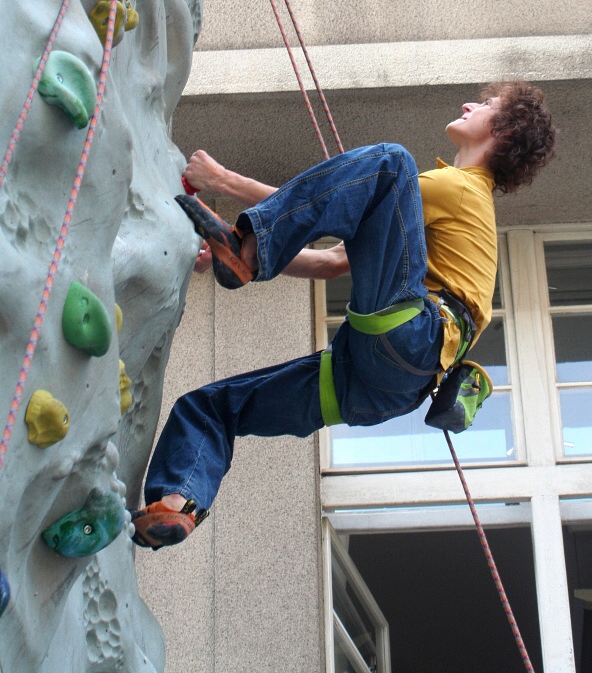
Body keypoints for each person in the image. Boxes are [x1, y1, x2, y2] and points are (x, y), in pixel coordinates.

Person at [132, 82, 555, 549]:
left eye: (486, 105)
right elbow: (330, 262)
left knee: (391, 162)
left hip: (411, 335)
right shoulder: (446, 213)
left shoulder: (459, 189)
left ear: (505, 127)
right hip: (385, 389)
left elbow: (340, 200)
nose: (469, 104)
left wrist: (224, 182)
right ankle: (177, 503)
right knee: (211, 407)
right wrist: (232, 251)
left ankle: (248, 250)